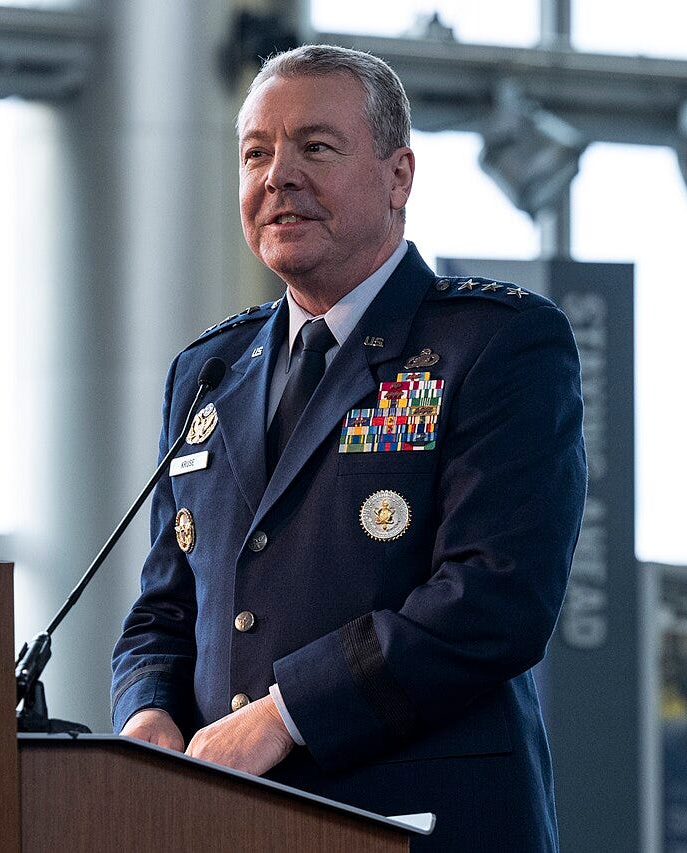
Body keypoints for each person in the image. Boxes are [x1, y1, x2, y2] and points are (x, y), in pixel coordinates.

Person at [110, 44, 585, 852]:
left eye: (315, 147)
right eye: (255, 153)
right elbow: (165, 606)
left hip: (422, 824)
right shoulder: (209, 372)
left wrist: (284, 714)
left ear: (399, 176)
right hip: (225, 826)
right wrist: (146, 710)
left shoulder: (497, 344)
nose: (277, 177)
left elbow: (492, 599)